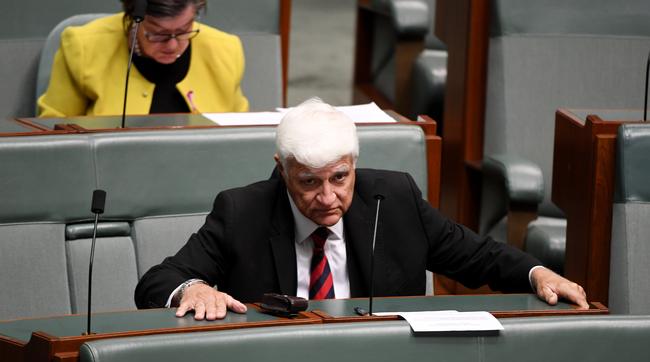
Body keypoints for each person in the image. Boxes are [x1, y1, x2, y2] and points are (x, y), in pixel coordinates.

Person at [134, 98, 588, 320]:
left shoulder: (394, 198)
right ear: (283, 169)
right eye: (308, 182)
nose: (328, 197)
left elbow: (478, 256)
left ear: (355, 164)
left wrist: (539, 274)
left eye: (340, 178)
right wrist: (192, 288)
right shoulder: (242, 210)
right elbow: (156, 281)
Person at [37, 0, 248, 117]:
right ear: (132, 18)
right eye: (158, 34)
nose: (173, 45)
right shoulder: (84, 46)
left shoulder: (225, 50)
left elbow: (242, 131)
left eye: (184, 30)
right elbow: (54, 129)